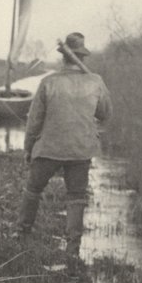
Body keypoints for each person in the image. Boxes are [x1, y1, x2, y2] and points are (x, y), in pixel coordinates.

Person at [17, 32, 112, 264]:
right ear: (83, 57)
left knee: (32, 189)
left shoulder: (49, 83)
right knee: (76, 197)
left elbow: (34, 121)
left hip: (49, 148)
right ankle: (72, 249)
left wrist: (29, 148)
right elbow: (105, 114)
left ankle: (22, 235)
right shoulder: (95, 81)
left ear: (63, 58)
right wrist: (102, 89)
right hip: (81, 150)